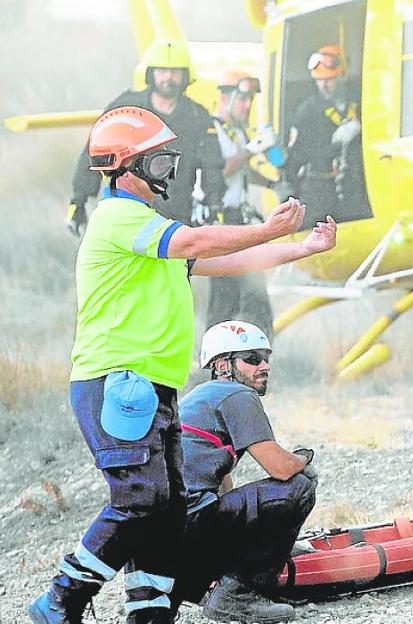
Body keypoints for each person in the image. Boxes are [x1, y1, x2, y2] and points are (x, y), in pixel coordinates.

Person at [28, 106, 336, 624]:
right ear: (126, 168)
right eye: (159, 160)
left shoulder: (147, 230)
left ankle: (149, 614)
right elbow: (195, 241)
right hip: (117, 383)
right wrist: (264, 228)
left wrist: (299, 247)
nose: (171, 170)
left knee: (167, 510)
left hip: (152, 387)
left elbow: (222, 261)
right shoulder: (120, 217)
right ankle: (60, 600)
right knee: (142, 499)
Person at [171, 321, 316, 623]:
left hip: (168, 538)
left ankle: (235, 577)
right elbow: (281, 467)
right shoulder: (236, 395)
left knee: (254, 498)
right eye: (252, 358)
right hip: (189, 527)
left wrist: (268, 539)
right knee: (301, 484)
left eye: (266, 357)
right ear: (223, 365)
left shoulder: (203, 396)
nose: (264, 366)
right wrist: (305, 457)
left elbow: (219, 479)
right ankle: (237, 595)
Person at [67, 38, 225, 233]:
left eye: (176, 71)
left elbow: (213, 164)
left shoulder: (197, 116)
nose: (168, 77)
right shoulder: (125, 109)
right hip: (127, 215)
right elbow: (95, 153)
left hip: (176, 218)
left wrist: (215, 203)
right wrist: (79, 200)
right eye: (162, 71)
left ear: (186, 76)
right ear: (150, 73)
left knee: (175, 264)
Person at [200, 71, 276, 336]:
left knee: (252, 298)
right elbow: (220, 170)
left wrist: (271, 183)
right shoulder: (213, 130)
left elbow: (242, 169)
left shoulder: (238, 131)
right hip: (221, 221)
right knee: (226, 298)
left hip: (239, 221)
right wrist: (250, 150)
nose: (248, 106)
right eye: (242, 99)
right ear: (224, 97)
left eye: (250, 100)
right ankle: (212, 362)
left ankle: (252, 361)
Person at [283, 44, 368, 227]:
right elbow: (297, 156)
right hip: (319, 187)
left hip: (353, 186)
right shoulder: (307, 111)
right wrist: (334, 146)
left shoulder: (359, 101)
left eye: (330, 79)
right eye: (319, 80)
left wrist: (360, 128)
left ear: (341, 75)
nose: (324, 85)